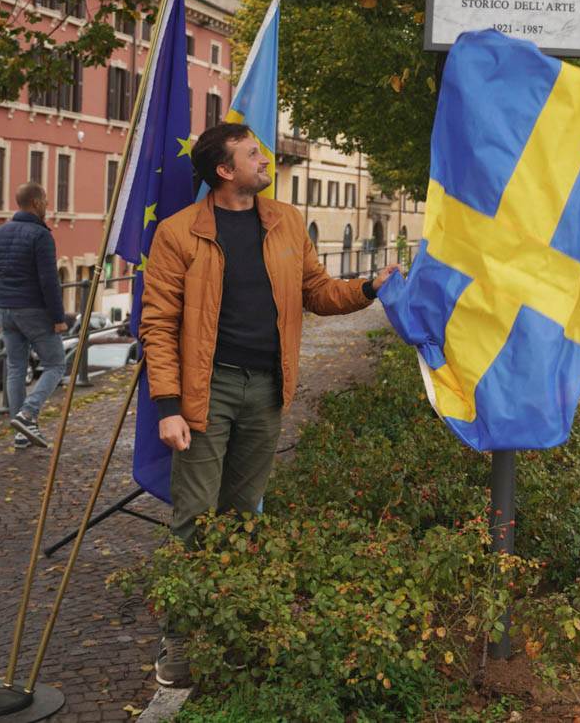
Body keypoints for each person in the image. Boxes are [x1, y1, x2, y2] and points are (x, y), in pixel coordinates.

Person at [139, 122, 399, 688]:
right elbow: (157, 324)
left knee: (243, 516)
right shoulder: (180, 233)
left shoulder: (283, 222)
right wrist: (168, 405)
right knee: (193, 518)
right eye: (253, 154)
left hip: (267, 391)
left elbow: (316, 292)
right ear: (225, 171)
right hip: (206, 392)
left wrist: (367, 289)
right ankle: (178, 640)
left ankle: (231, 632)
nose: (265, 159)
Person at [0, 182, 68, 450]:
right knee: (56, 364)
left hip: (6, 310)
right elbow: (48, 280)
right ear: (36, 203)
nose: (47, 205)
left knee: (17, 368)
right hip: (33, 309)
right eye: (45, 200)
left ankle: (22, 432)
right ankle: (28, 412)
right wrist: (58, 316)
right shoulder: (40, 236)